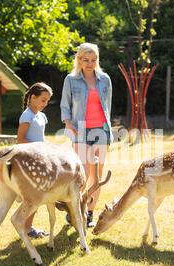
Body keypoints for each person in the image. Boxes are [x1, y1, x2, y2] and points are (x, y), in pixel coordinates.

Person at [60, 43, 113, 228]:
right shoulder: (71, 80)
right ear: (79, 60)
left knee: (96, 175)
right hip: (80, 131)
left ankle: (89, 213)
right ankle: (76, 211)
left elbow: (108, 107)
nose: (90, 63)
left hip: (102, 131)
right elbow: (65, 105)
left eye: (93, 60)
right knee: (81, 174)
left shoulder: (105, 79)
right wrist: (68, 123)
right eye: (86, 60)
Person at [17, 82, 53, 238]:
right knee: (34, 197)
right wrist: (40, 146)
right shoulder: (27, 115)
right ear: (33, 97)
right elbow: (20, 139)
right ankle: (26, 227)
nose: (45, 104)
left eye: (47, 101)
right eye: (43, 100)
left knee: (38, 196)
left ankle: (27, 227)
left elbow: (41, 137)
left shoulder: (41, 115)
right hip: (29, 160)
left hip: (40, 158)